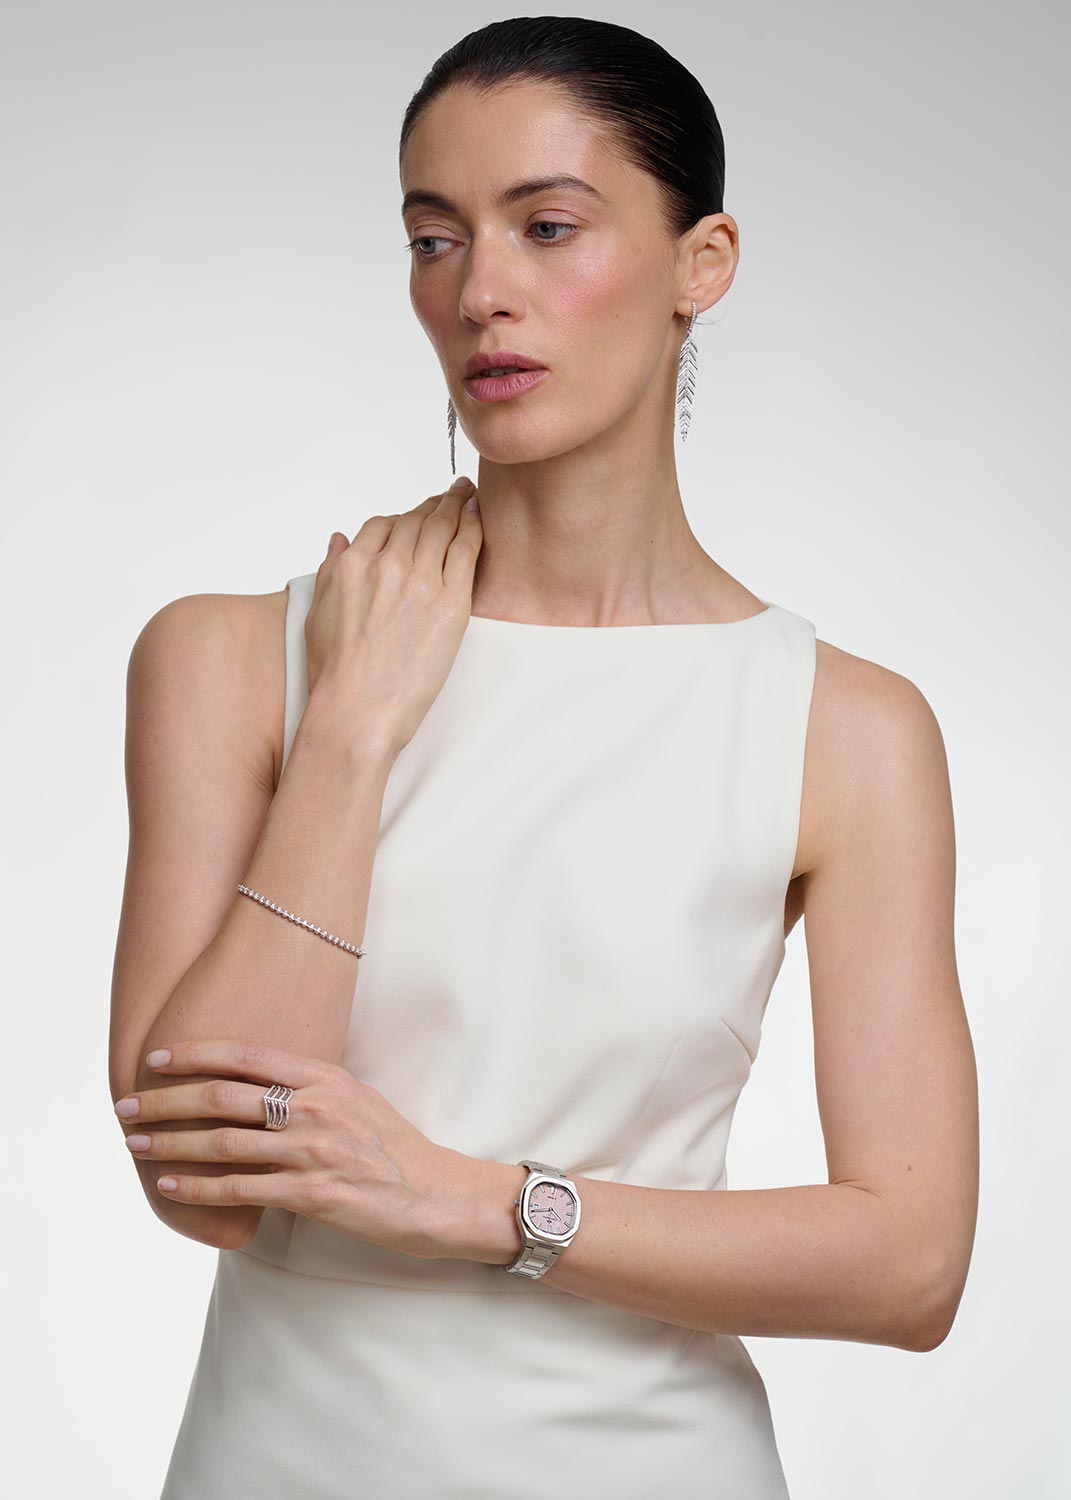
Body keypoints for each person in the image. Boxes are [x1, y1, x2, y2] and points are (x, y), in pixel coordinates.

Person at [108, 16, 979, 1498]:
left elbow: (910, 1265)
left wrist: (484, 1204)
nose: (481, 293)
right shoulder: (232, 657)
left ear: (702, 263)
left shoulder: (845, 729)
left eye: (549, 226)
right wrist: (353, 729)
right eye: (434, 239)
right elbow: (204, 1185)